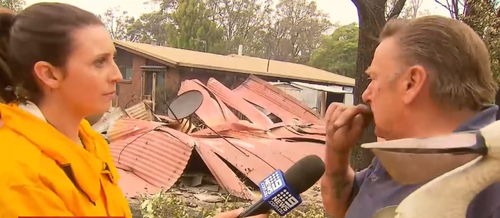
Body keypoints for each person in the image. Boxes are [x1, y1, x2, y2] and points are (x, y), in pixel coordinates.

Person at [0, 3, 264, 218]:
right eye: (99, 62)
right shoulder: (19, 177)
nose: (116, 75)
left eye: (113, 58)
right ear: (49, 74)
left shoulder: (89, 143)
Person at [321, 16, 500, 218]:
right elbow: (344, 207)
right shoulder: (404, 153)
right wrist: (337, 153)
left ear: (412, 83)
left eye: (374, 78)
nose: (366, 95)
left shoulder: (491, 181)